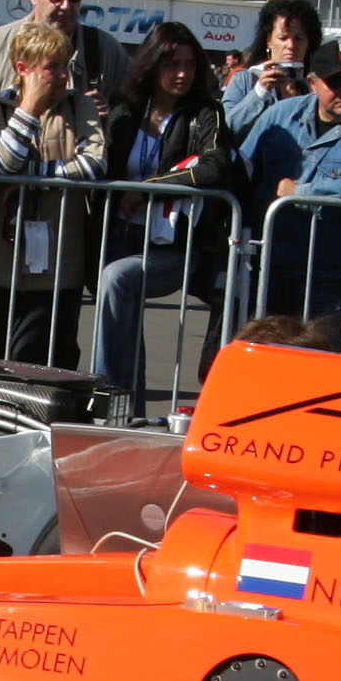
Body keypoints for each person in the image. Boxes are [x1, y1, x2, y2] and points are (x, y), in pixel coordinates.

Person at [90, 21, 241, 398]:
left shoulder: (206, 112)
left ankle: (103, 395)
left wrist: (146, 191)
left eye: (190, 65)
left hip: (177, 247)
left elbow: (213, 168)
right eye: (172, 64)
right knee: (121, 316)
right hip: (119, 235)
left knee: (117, 280)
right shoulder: (126, 111)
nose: (182, 74)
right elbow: (99, 167)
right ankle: (127, 408)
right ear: (152, 65)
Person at [239, 44, 341, 349]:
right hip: (270, 266)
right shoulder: (279, 116)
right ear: (313, 82)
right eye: (335, 81)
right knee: (263, 362)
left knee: (321, 366)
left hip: (332, 274)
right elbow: (242, 169)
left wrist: (300, 193)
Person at [0, 17, 109, 364]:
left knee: (54, 358)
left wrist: (35, 173)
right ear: (23, 69)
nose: (64, 75)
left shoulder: (80, 107)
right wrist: (29, 106)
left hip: (60, 263)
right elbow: (2, 163)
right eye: (53, 67)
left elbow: (94, 163)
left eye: (66, 65)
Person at [220, 0, 324, 136]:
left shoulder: (318, 85)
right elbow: (224, 129)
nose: (291, 46)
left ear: (309, 43)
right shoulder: (244, 80)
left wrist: (297, 100)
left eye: (298, 39)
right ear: (269, 39)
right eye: (283, 38)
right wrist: (259, 92)